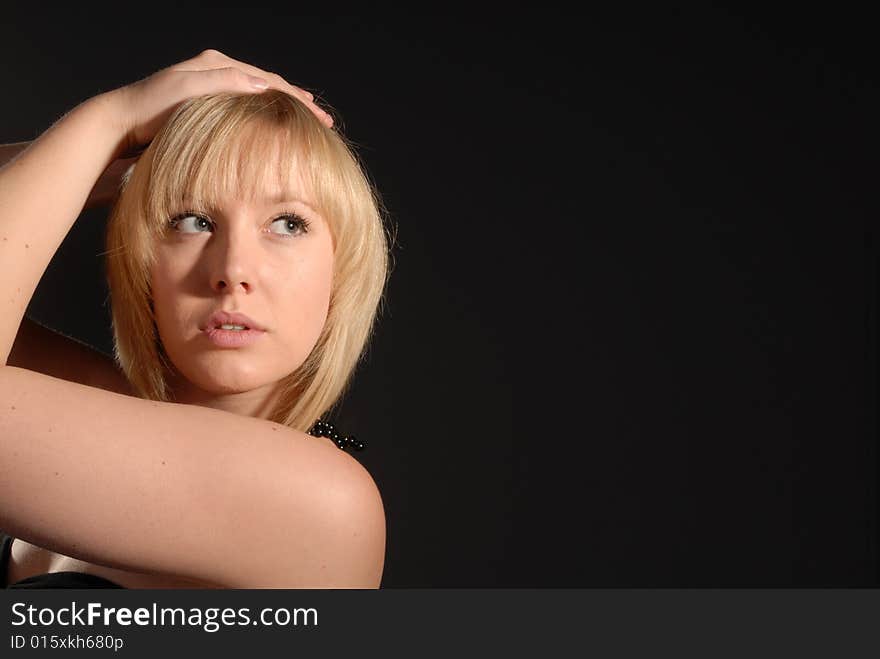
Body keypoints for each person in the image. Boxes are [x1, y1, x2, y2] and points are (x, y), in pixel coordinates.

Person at [0, 49, 390, 588]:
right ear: (141, 260)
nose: (232, 271)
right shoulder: (103, 409)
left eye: (286, 224)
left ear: (341, 268)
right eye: (192, 220)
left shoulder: (319, 502)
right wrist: (104, 166)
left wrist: (107, 122)